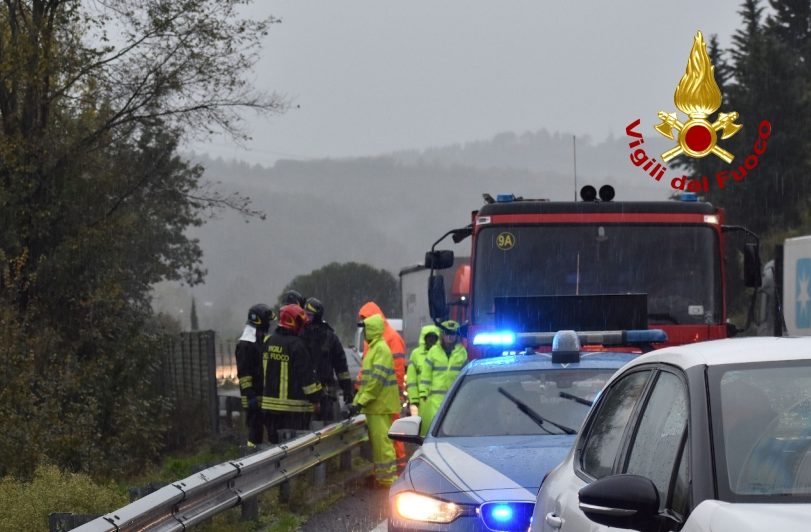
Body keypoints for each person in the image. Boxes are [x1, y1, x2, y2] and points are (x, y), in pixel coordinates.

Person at [347, 314, 400, 488]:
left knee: (383, 443)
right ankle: (382, 477)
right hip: (376, 405)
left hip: (380, 405)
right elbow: (367, 382)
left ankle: (388, 480)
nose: (365, 332)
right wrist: (358, 402)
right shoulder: (376, 349)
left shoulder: (380, 350)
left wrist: (360, 401)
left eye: (366, 328)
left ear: (373, 329)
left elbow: (375, 382)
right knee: (379, 444)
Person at [356, 301, 408, 471]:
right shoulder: (372, 339)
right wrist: (358, 388)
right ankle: (390, 469)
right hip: (377, 398)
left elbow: (398, 367)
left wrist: (399, 391)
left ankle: (397, 466)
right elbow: (366, 367)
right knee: (385, 438)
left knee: (391, 435)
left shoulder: (391, 338)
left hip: (386, 396)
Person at [261, 304, 322, 443]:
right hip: (294, 412)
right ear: (292, 321)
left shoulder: (268, 341)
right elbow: (307, 378)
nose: (302, 327)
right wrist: (316, 398)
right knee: (294, 451)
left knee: (274, 450)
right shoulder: (297, 345)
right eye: (300, 322)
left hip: (269, 411)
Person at [301, 297, 354, 423]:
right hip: (304, 397)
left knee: (325, 433)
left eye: (309, 315)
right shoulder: (300, 335)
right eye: (305, 315)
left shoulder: (330, 338)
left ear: (317, 316)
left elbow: (341, 367)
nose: (306, 318)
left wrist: (347, 390)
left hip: (326, 397)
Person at [419, 320, 469, 438]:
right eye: (447, 333)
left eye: (452, 333)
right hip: (436, 398)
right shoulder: (433, 352)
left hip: (454, 396)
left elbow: (465, 374)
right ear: (442, 334)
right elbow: (426, 374)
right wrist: (423, 392)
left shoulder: (462, 352)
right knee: (436, 427)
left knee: (452, 426)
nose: (450, 337)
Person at [236, 303, 275, 447]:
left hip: (263, 396)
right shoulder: (246, 344)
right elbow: (244, 374)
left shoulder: (258, 340)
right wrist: (250, 395)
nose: (269, 324)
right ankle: (251, 456)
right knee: (255, 433)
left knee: (271, 431)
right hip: (253, 398)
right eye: (268, 321)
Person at [406, 325, 440, 417]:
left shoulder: (442, 354)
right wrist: (414, 400)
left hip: (439, 401)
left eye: (434, 338)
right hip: (423, 401)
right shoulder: (416, 354)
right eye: (429, 338)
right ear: (424, 339)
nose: (431, 341)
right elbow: (411, 380)